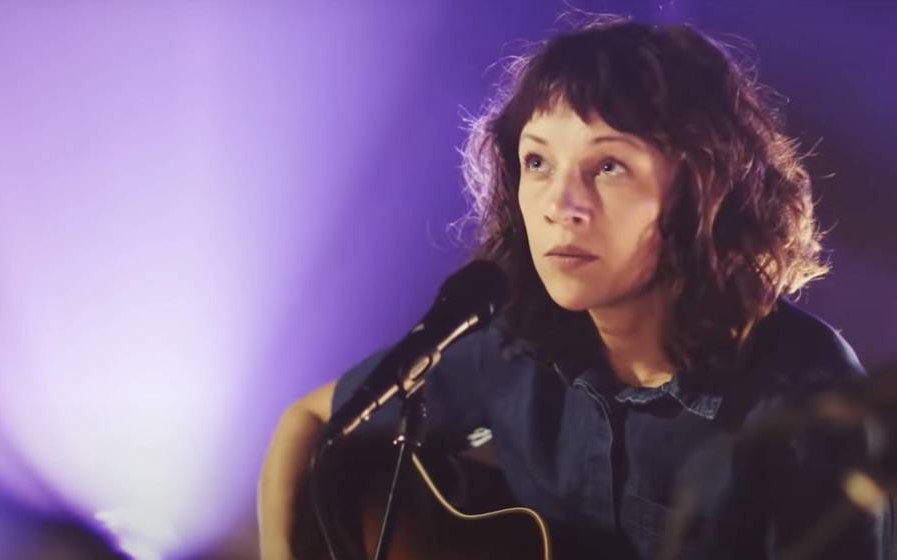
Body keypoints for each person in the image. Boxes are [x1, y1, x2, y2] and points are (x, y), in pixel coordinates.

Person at [259, 17, 887, 560]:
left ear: (702, 193)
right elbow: (309, 422)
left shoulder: (806, 401)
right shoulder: (509, 348)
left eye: (608, 166)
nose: (559, 205)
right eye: (537, 162)